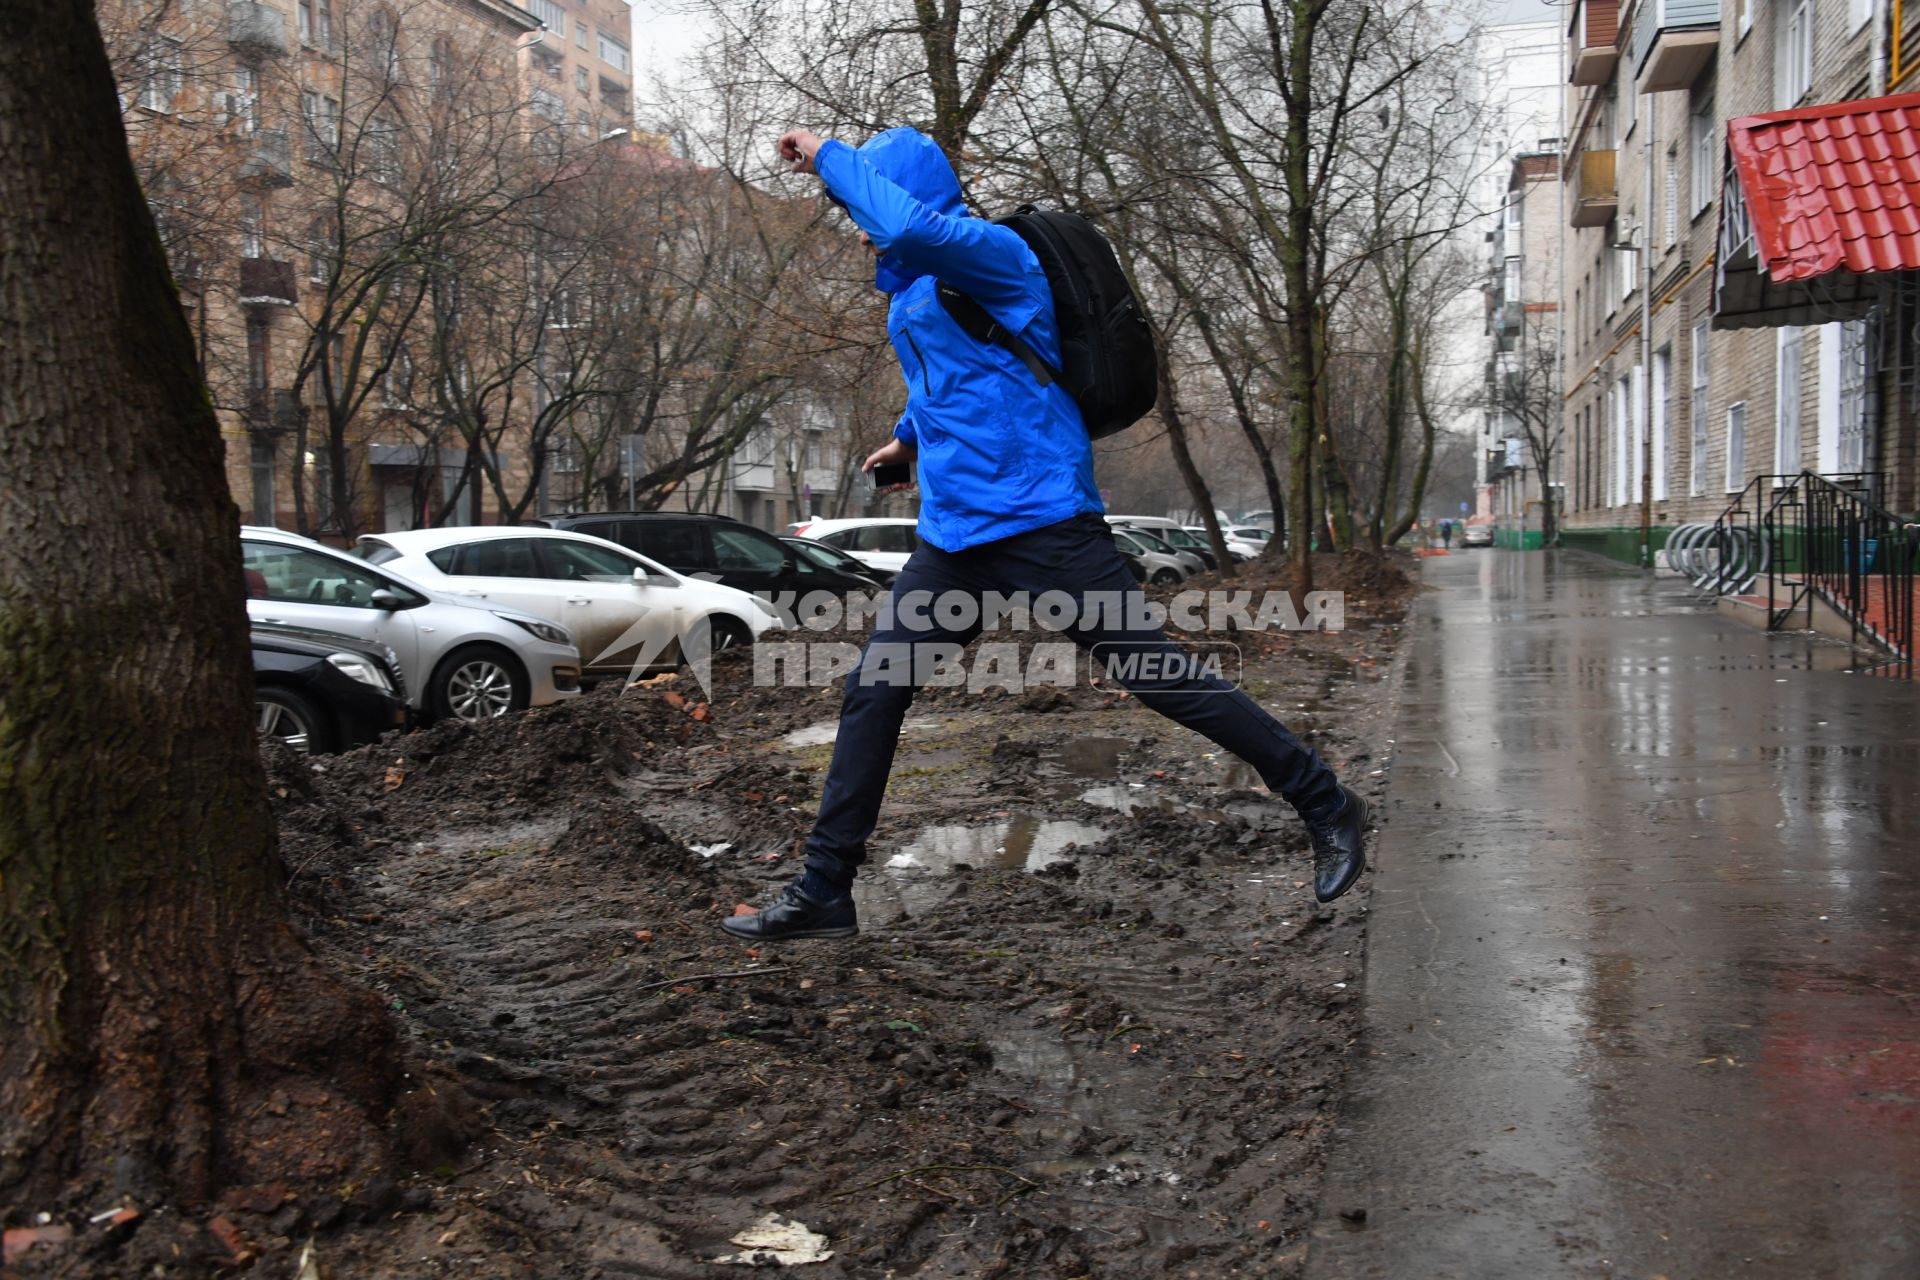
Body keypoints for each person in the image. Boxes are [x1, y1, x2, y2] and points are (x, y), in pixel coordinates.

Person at [722, 126, 1368, 942]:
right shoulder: (915, 291)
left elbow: (911, 230)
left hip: (1042, 520)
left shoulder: (991, 252)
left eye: (859, 201)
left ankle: (1324, 798)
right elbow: (953, 379)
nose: (853, 223)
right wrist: (907, 440)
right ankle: (825, 889)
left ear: (906, 193)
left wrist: (827, 154)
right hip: (954, 539)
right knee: (874, 692)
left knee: (1157, 676)